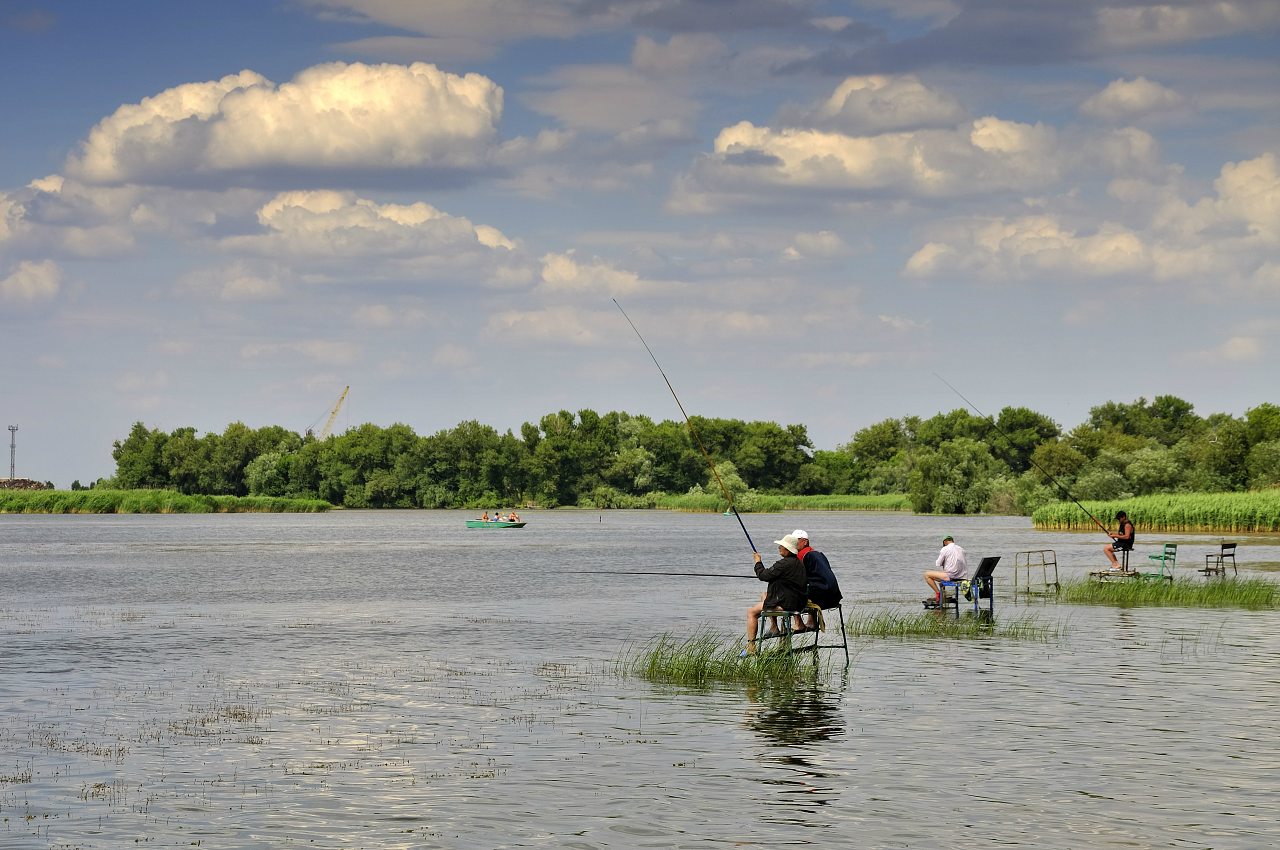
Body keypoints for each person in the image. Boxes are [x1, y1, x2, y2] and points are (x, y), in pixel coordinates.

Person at [743, 534, 808, 655]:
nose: (779, 548)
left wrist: (758, 562)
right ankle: (774, 627)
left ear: (787, 549)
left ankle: (751, 647)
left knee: (751, 612)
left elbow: (763, 575)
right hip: (798, 602)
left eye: (781, 546)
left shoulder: (783, 564)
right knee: (764, 595)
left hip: (788, 605)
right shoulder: (798, 563)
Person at [790, 529, 843, 632]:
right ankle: (811, 621)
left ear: (805, 542)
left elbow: (796, 578)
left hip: (823, 598)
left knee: (791, 591)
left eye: (796, 541)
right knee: (810, 584)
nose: (793, 543)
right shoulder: (818, 554)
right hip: (835, 596)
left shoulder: (802, 555)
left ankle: (799, 623)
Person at [924, 535, 967, 606]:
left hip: (952, 576)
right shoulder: (961, 549)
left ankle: (938, 594)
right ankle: (943, 595)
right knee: (942, 574)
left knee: (926, 574)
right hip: (962, 576)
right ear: (953, 541)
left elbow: (938, 563)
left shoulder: (945, 549)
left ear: (944, 542)